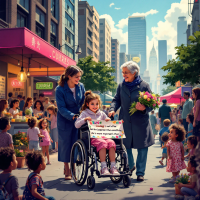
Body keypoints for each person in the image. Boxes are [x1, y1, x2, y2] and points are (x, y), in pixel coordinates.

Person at [109, 61, 154, 182]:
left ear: (134, 73)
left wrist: (144, 108)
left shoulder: (144, 85)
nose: (124, 75)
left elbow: (152, 103)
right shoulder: (121, 86)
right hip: (125, 122)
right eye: (122, 72)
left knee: (142, 148)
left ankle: (140, 172)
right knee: (125, 146)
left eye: (126, 73)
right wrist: (113, 109)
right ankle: (130, 166)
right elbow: (116, 100)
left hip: (140, 122)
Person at [75, 91, 120, 176]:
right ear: (87, 104)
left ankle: (113, 167)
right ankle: (103, 167)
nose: (95, 106)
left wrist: (107, 120)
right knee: (102, 143)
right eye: (92, 104)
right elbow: (76, 125)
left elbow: (108, 121)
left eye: (97, 104)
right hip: (92, 137)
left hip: (103, 135)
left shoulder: (102, 113)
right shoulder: (84, 113)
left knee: (111, 142)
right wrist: (84, 120)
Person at [55, 65, 85, 180]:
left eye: (79, 77)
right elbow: (61, 108)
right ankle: (67, 168)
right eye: (77, 77)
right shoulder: (60, 89)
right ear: (69, 76)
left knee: (75, 142)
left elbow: (82, 102)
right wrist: (72, 116)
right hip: (65, 119)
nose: (79, 79)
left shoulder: (80, 86)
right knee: (65, 144)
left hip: (78, 118)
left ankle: (72, 168)